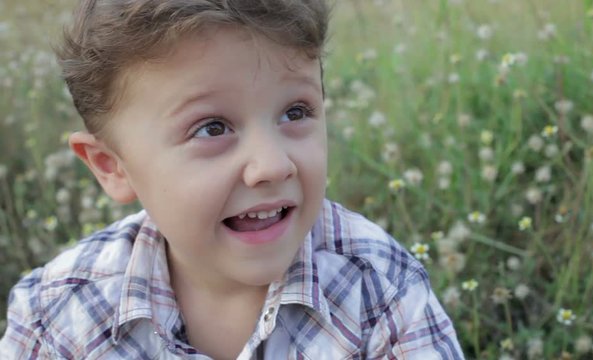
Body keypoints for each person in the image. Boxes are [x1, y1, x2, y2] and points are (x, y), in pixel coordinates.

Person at [0, 1, 464, 358]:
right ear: (112, 166)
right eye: (212, 128)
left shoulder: (379, 288)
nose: (272, 165)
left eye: (295, 112)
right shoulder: (58, 314)